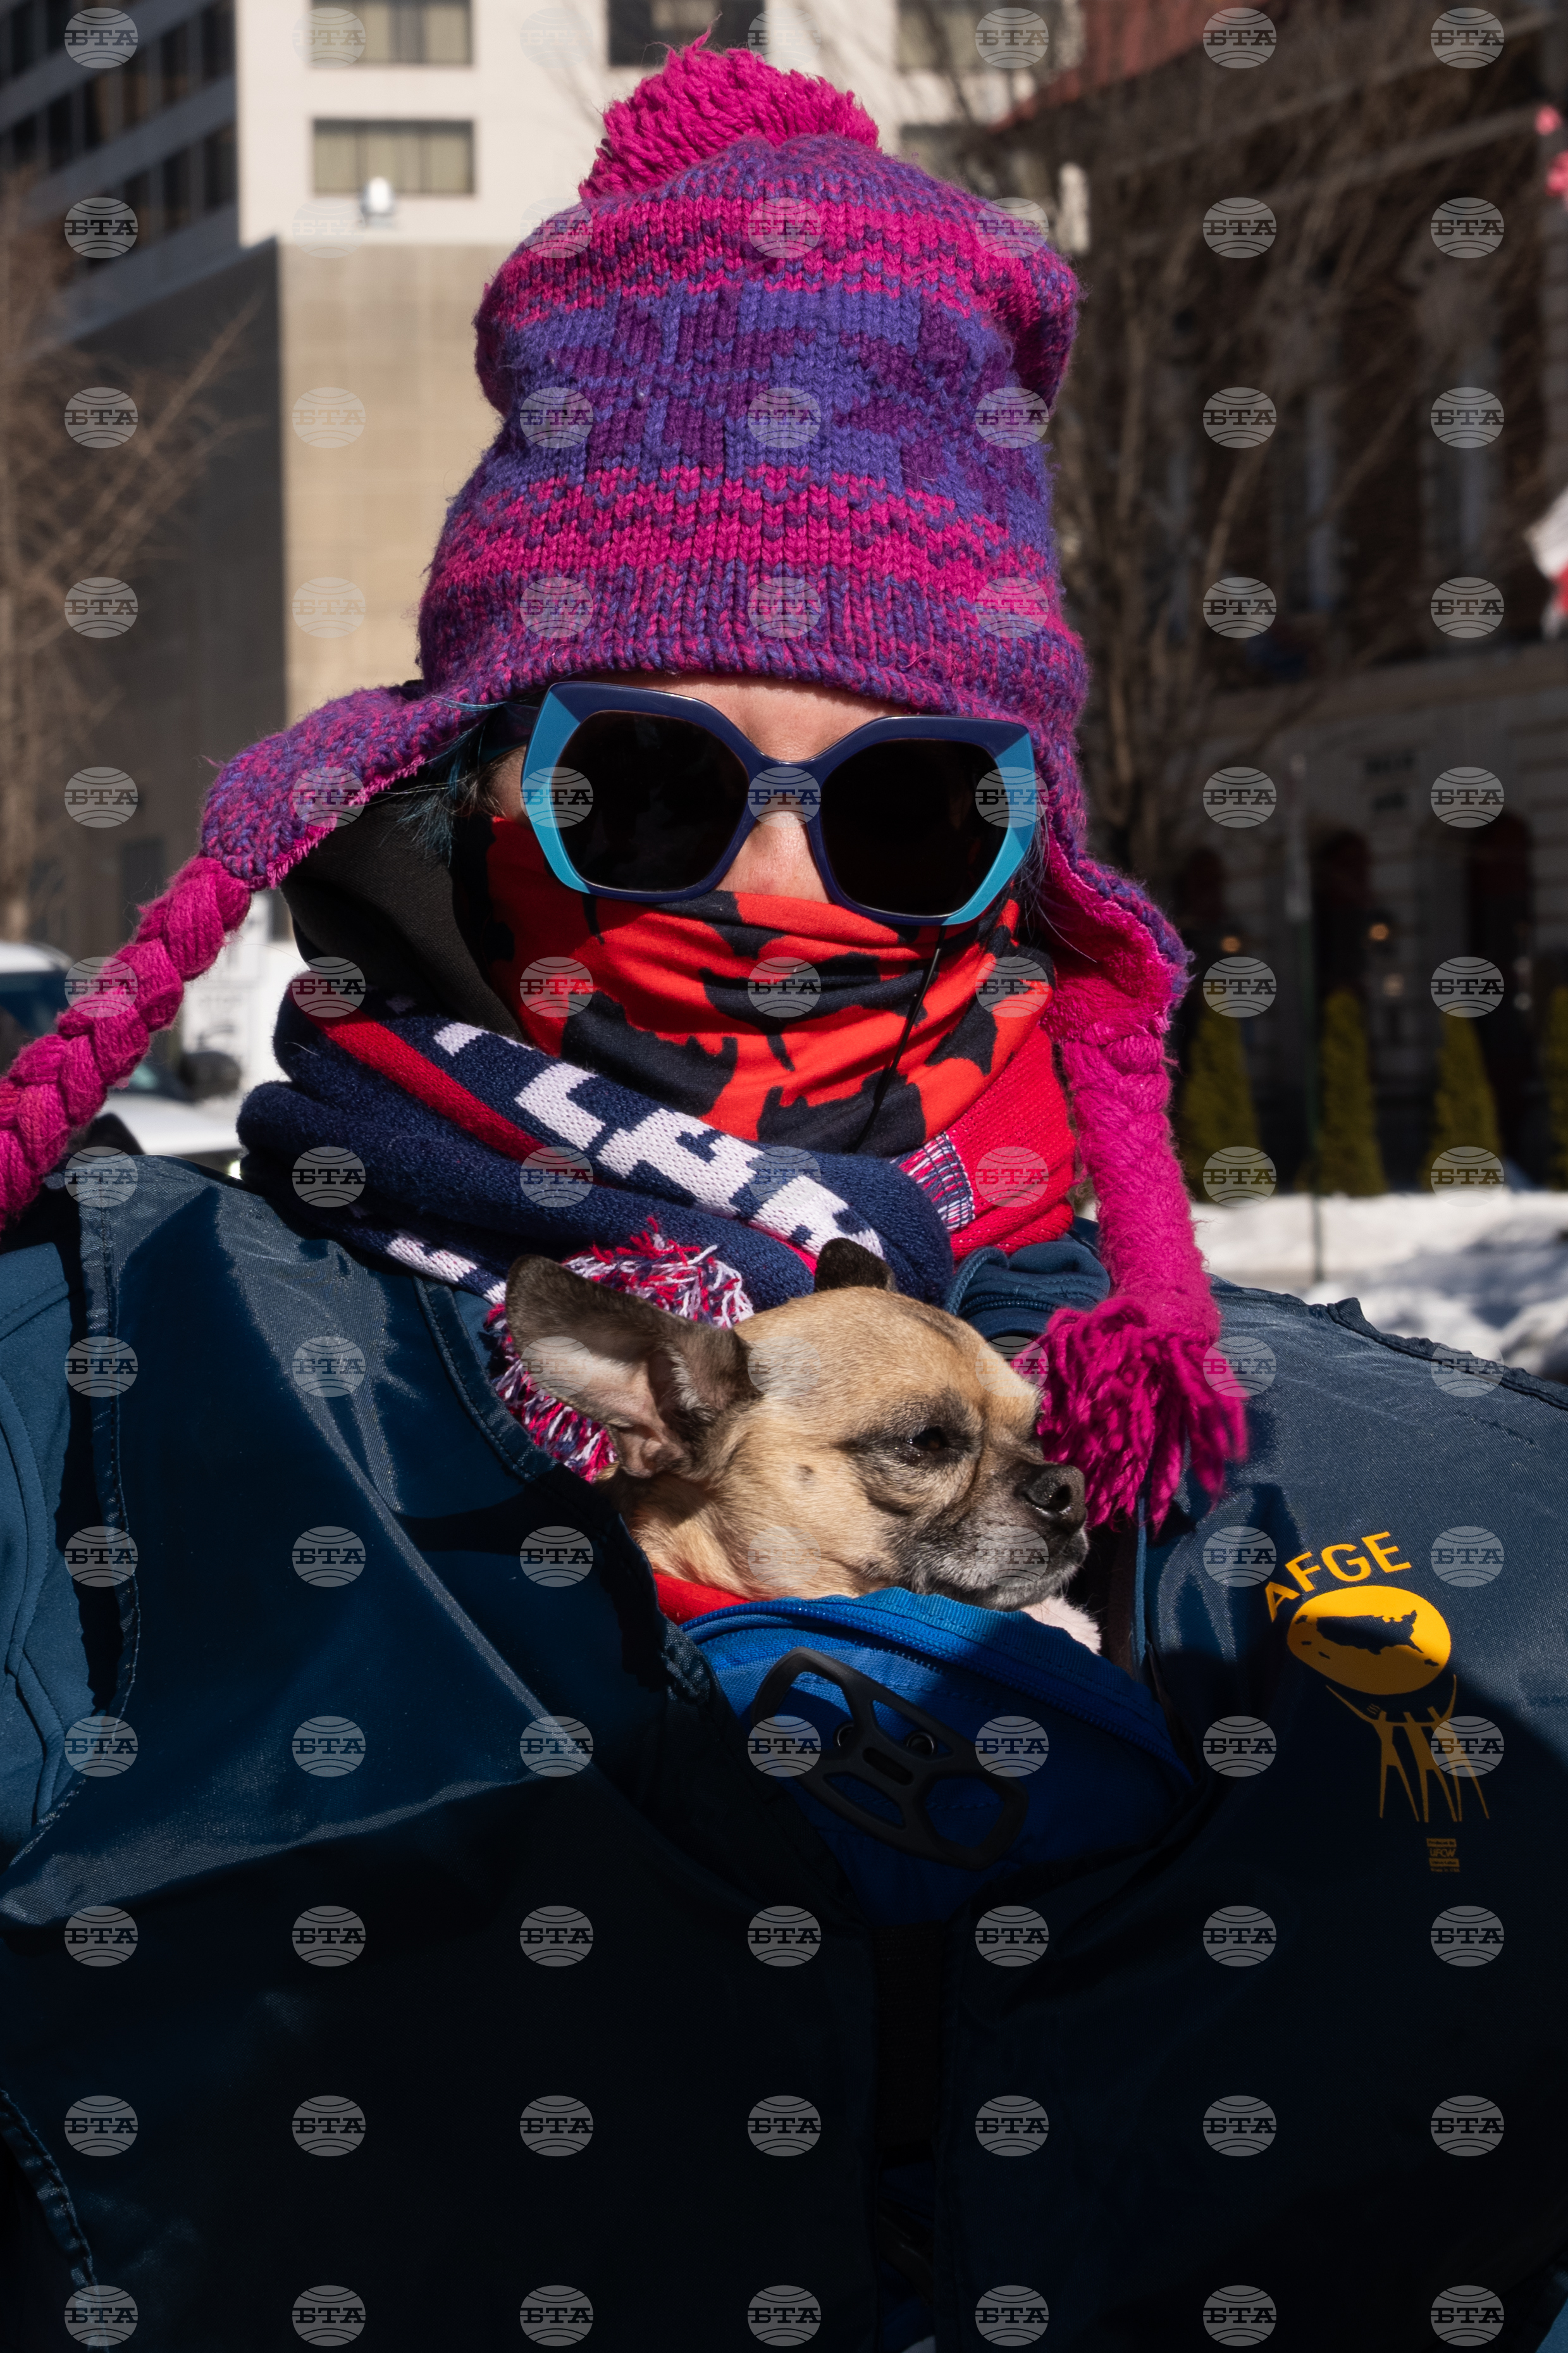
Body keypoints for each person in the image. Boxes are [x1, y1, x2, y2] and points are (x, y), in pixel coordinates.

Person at [0, 38, 1564, 2353]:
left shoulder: (1448, 1512)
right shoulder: (105, 1394)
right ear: (463, 800)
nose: (768, 880)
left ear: (1034, 864)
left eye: (912, 809)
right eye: (645, 778)